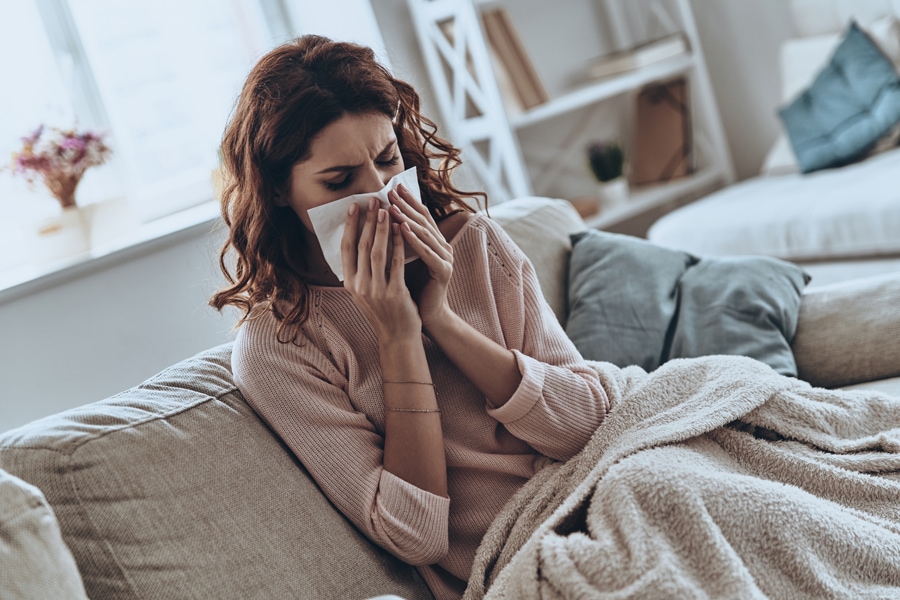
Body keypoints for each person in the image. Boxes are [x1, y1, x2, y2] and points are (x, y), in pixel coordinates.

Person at [211, 35, 610, 600]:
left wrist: (442, 317)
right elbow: (414, 534)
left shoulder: (472, 244)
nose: (380, 196)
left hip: (610, 480)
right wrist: (397, 334)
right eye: (339, 181)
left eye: (386, 160)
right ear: (277, 189)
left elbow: (588, 423)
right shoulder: (281, 346)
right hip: (525, 554)